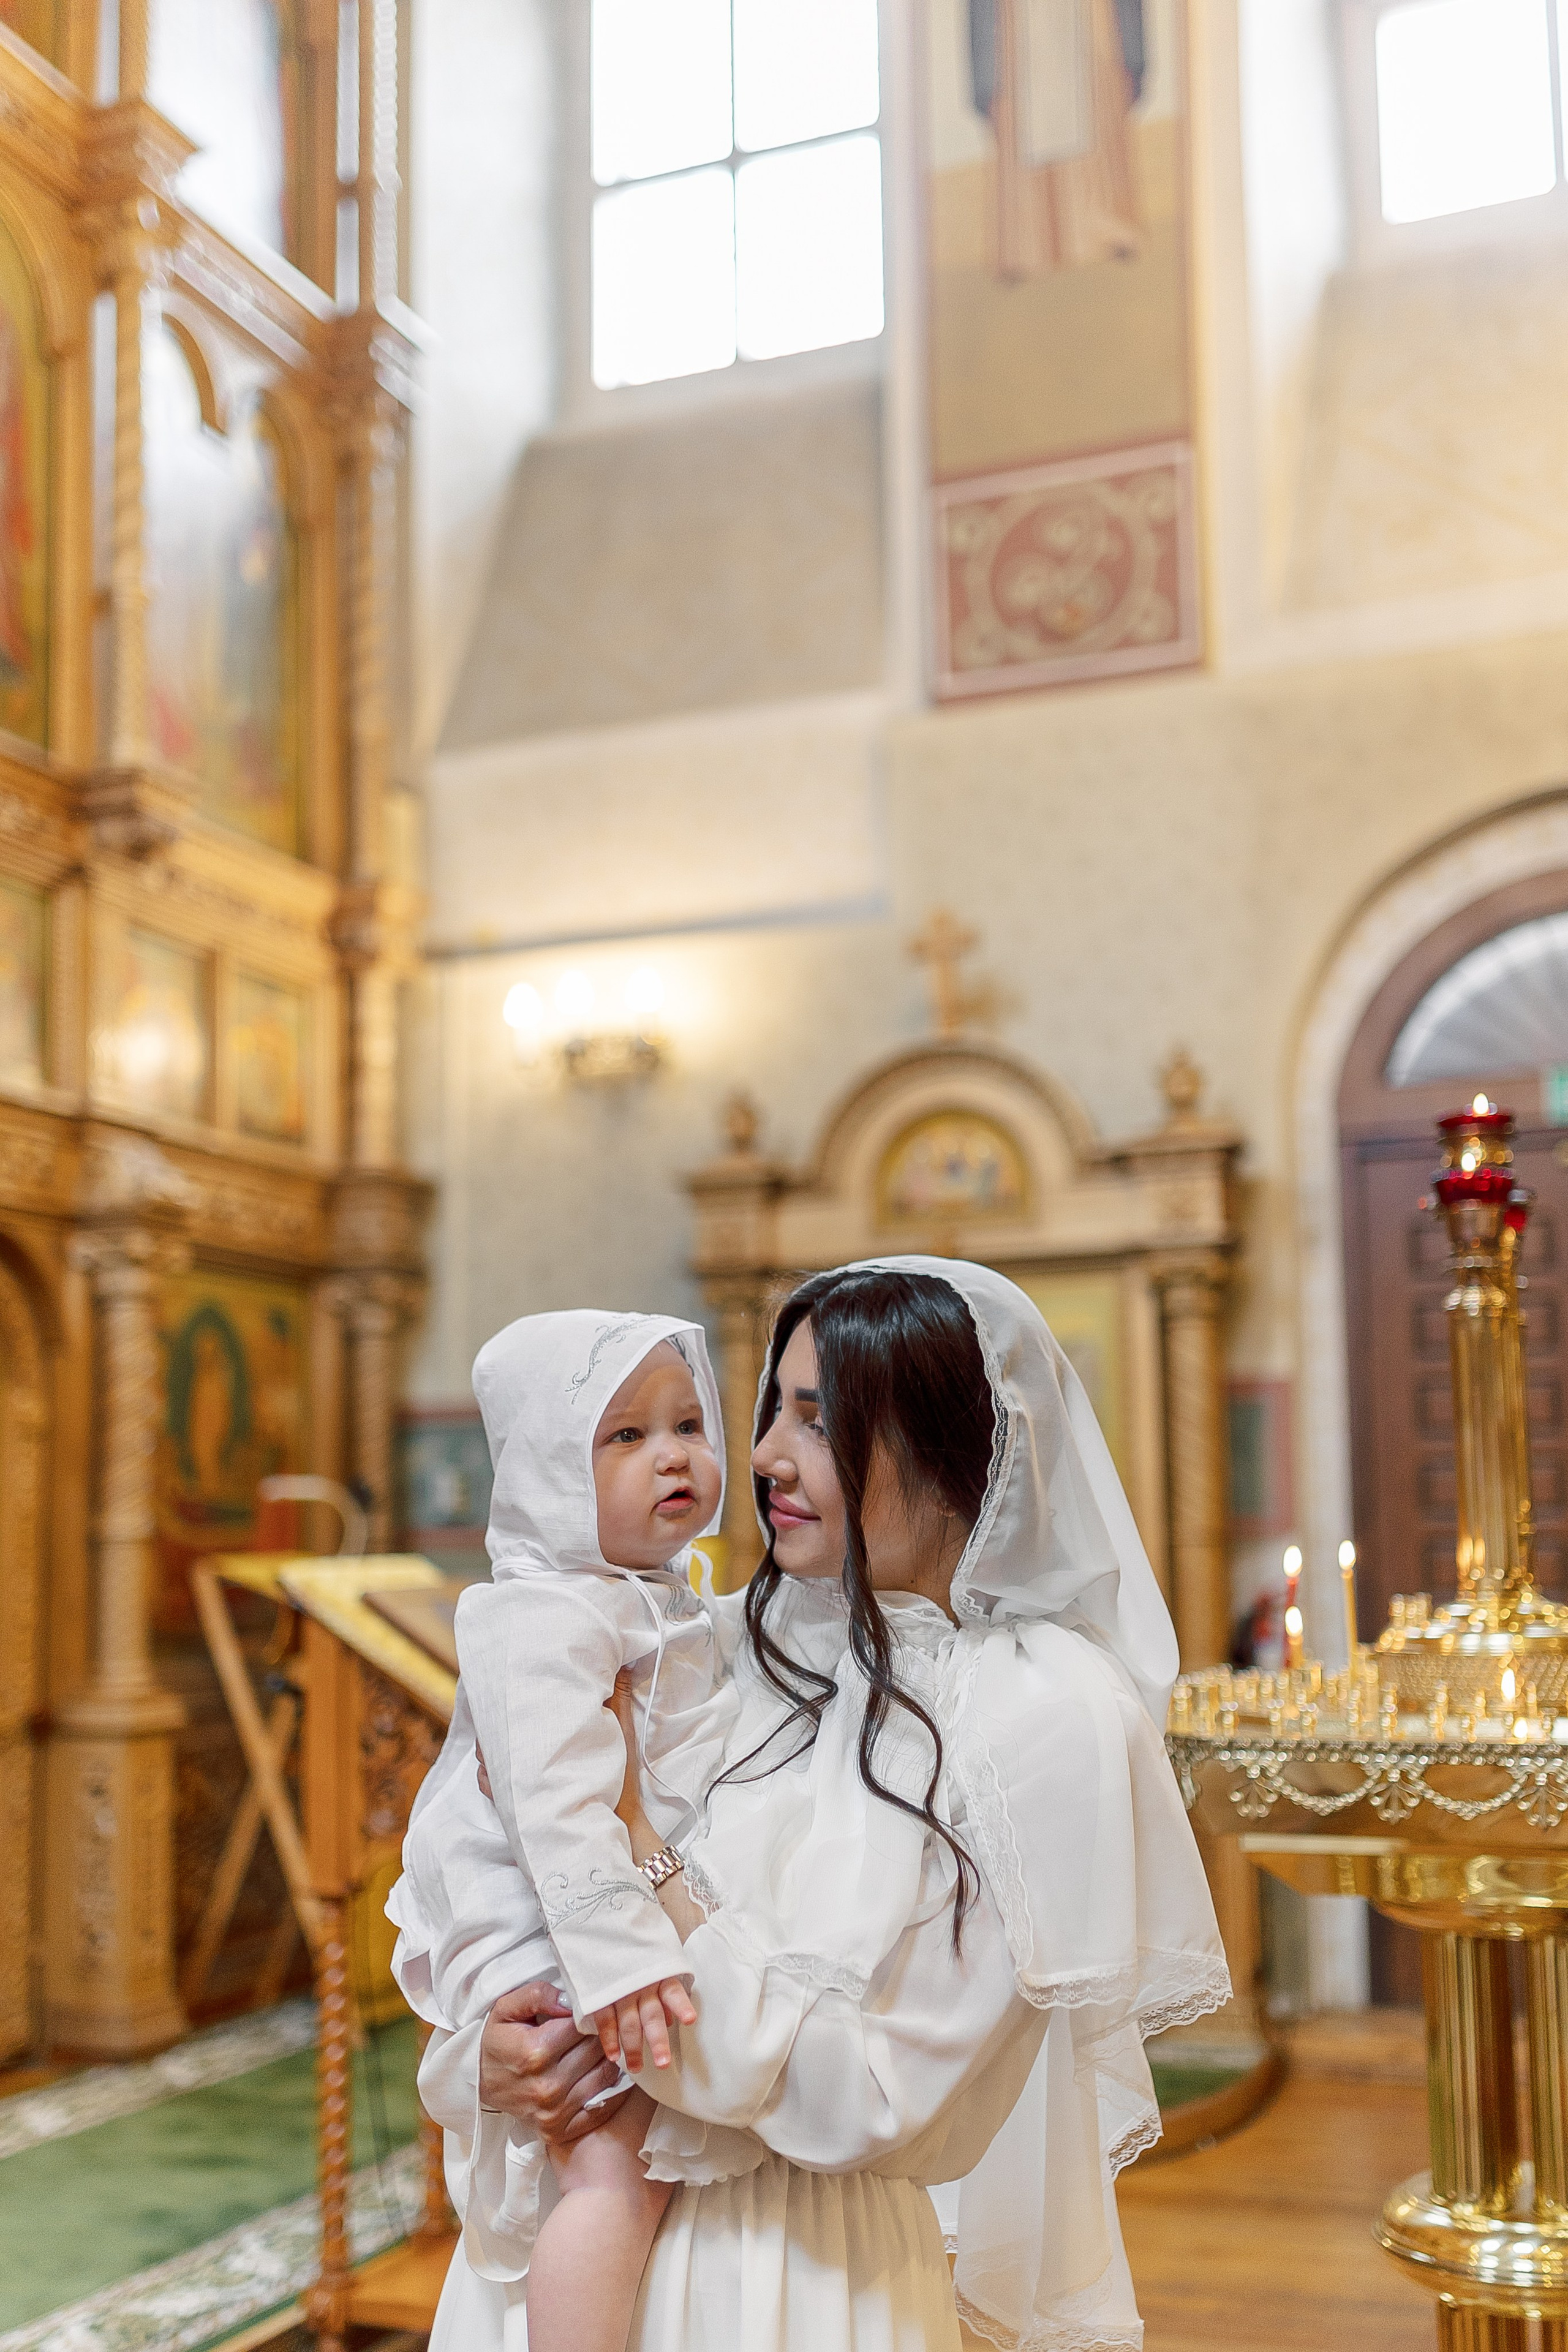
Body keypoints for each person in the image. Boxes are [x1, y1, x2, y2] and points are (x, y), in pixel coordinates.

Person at [409, 1261, 1228, 2351]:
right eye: (769, 1412)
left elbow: (881, 2099)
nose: (759, 1458)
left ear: (947, 1442)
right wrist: (486, 2064)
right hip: (576, 2260)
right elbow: (506, 1894)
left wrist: (645, 1857)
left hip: (795, 2283)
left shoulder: (1050, 1715)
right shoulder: (721, 1641)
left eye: (818, 1418)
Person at [390, 1309, 737, 2352]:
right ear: (546, 1469)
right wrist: (625, 1962)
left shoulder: (660, 1601)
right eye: (625, 1436)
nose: (673, 1454)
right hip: (550, 1924)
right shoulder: (536, 1615)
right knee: (612, 2165)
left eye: (687, 1423)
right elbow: (553, 1803)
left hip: (597, 1916)